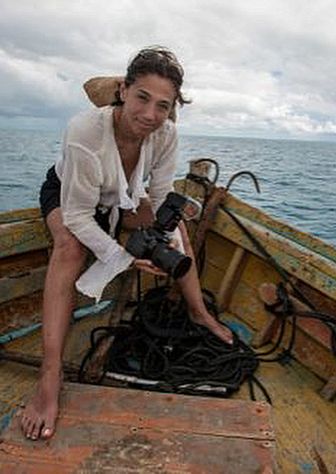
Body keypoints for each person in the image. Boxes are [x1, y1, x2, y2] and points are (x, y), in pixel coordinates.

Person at [21, 46, 233, 441]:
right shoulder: (84, 132)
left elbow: (164, 194)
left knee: (175, 230)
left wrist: (163, 231)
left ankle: (199, 311)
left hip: (122, 196)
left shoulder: (165, 134)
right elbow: (80, 216)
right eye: (142, 98)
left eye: (163, 106)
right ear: (123, 90)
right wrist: (120, 256)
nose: (151, 115)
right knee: (69, 246)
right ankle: (50, 375)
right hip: (71, 194)